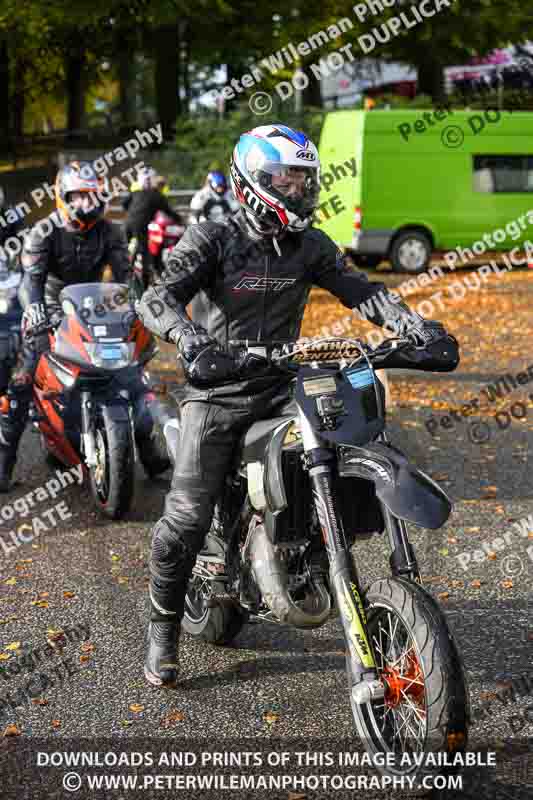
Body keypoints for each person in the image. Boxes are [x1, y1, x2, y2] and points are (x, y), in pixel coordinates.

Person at [136, 123, 459, 688]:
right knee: (185, 519)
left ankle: (315, 545)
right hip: (219, 389)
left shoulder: (311, 246)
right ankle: (162, 631)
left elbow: (366, 293)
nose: (299, 188)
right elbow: (156, 297)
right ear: (252, 181)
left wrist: (416, 327)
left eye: (305, 178)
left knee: (353, 428)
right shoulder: (213, 237)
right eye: (286, 178)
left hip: (286, 382)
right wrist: (191, 342)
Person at [0, 161, 167, 491]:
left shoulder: (111, 231)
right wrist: (34, 309)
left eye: (92, 195)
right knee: (22, 379)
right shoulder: (43, 231)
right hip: (50, 310)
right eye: (78, 196)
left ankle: (148, 451)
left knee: (132, 373)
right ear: (63, 197)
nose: (86, 203)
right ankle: (5, 464)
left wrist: (138, 305)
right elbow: (31, 281)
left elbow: (125, 277)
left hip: (94, 307)